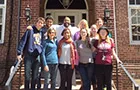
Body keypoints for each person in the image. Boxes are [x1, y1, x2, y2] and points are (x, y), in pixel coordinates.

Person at [17, 17, 45, 90]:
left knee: (35, 76)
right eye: (39, 22)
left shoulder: (42, 32)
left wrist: (41, 51)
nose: (40, 24)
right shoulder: (30, 30)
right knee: (27, 75)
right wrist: (19, 53)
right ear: (36, 23)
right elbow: (23, 41)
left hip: (37, 56)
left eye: (41, 23)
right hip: (29, 56)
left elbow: (42, 43)